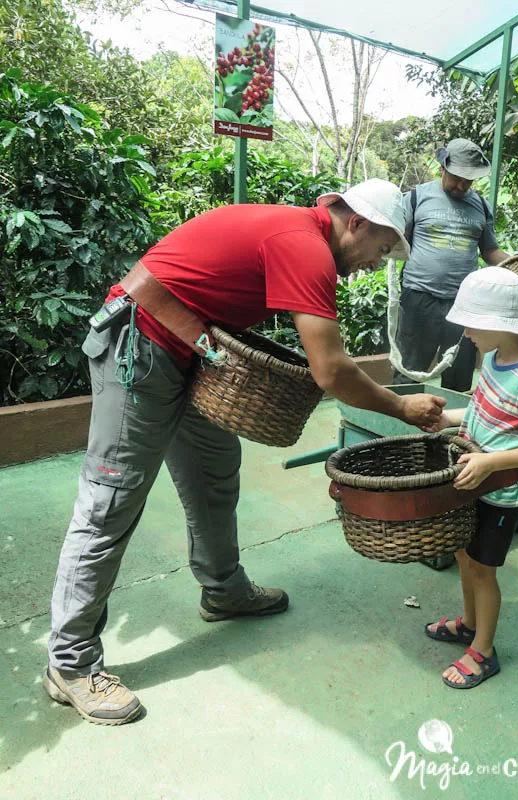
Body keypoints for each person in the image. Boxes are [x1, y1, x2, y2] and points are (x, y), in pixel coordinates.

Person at [44, 178, 447, 725]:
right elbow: (329, 370)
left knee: (214, 468)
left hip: (190, 349)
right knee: (110, 500)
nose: (375, 264)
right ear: (355, 223)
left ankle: (224, 591)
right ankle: (70, 664)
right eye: (379, 250)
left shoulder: (296, 233)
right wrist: (402, 410)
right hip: (140, 345)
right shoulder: (306, 248)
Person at [424, 267, 518, 689]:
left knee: (484, 570)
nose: (466, 333)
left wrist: (490, 463)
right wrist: (450, 417)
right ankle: (468, 624)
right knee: (464, 555)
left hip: (500, 491)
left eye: (472, 323)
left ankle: (483, 651)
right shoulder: (495, 357)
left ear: (500, 325)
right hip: (473, 480)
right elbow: (484, 410)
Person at [392, 138, 518, 392]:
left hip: (465, 305)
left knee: (459, 376)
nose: (461, 185)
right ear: (443, 168)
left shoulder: (481, 206)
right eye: (456, 177)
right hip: (419, 298)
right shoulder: (418, 197)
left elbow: (491, 251)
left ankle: (451, 429)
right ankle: (400, 427)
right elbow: (397, 240)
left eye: (468, 180)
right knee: (409, 372)